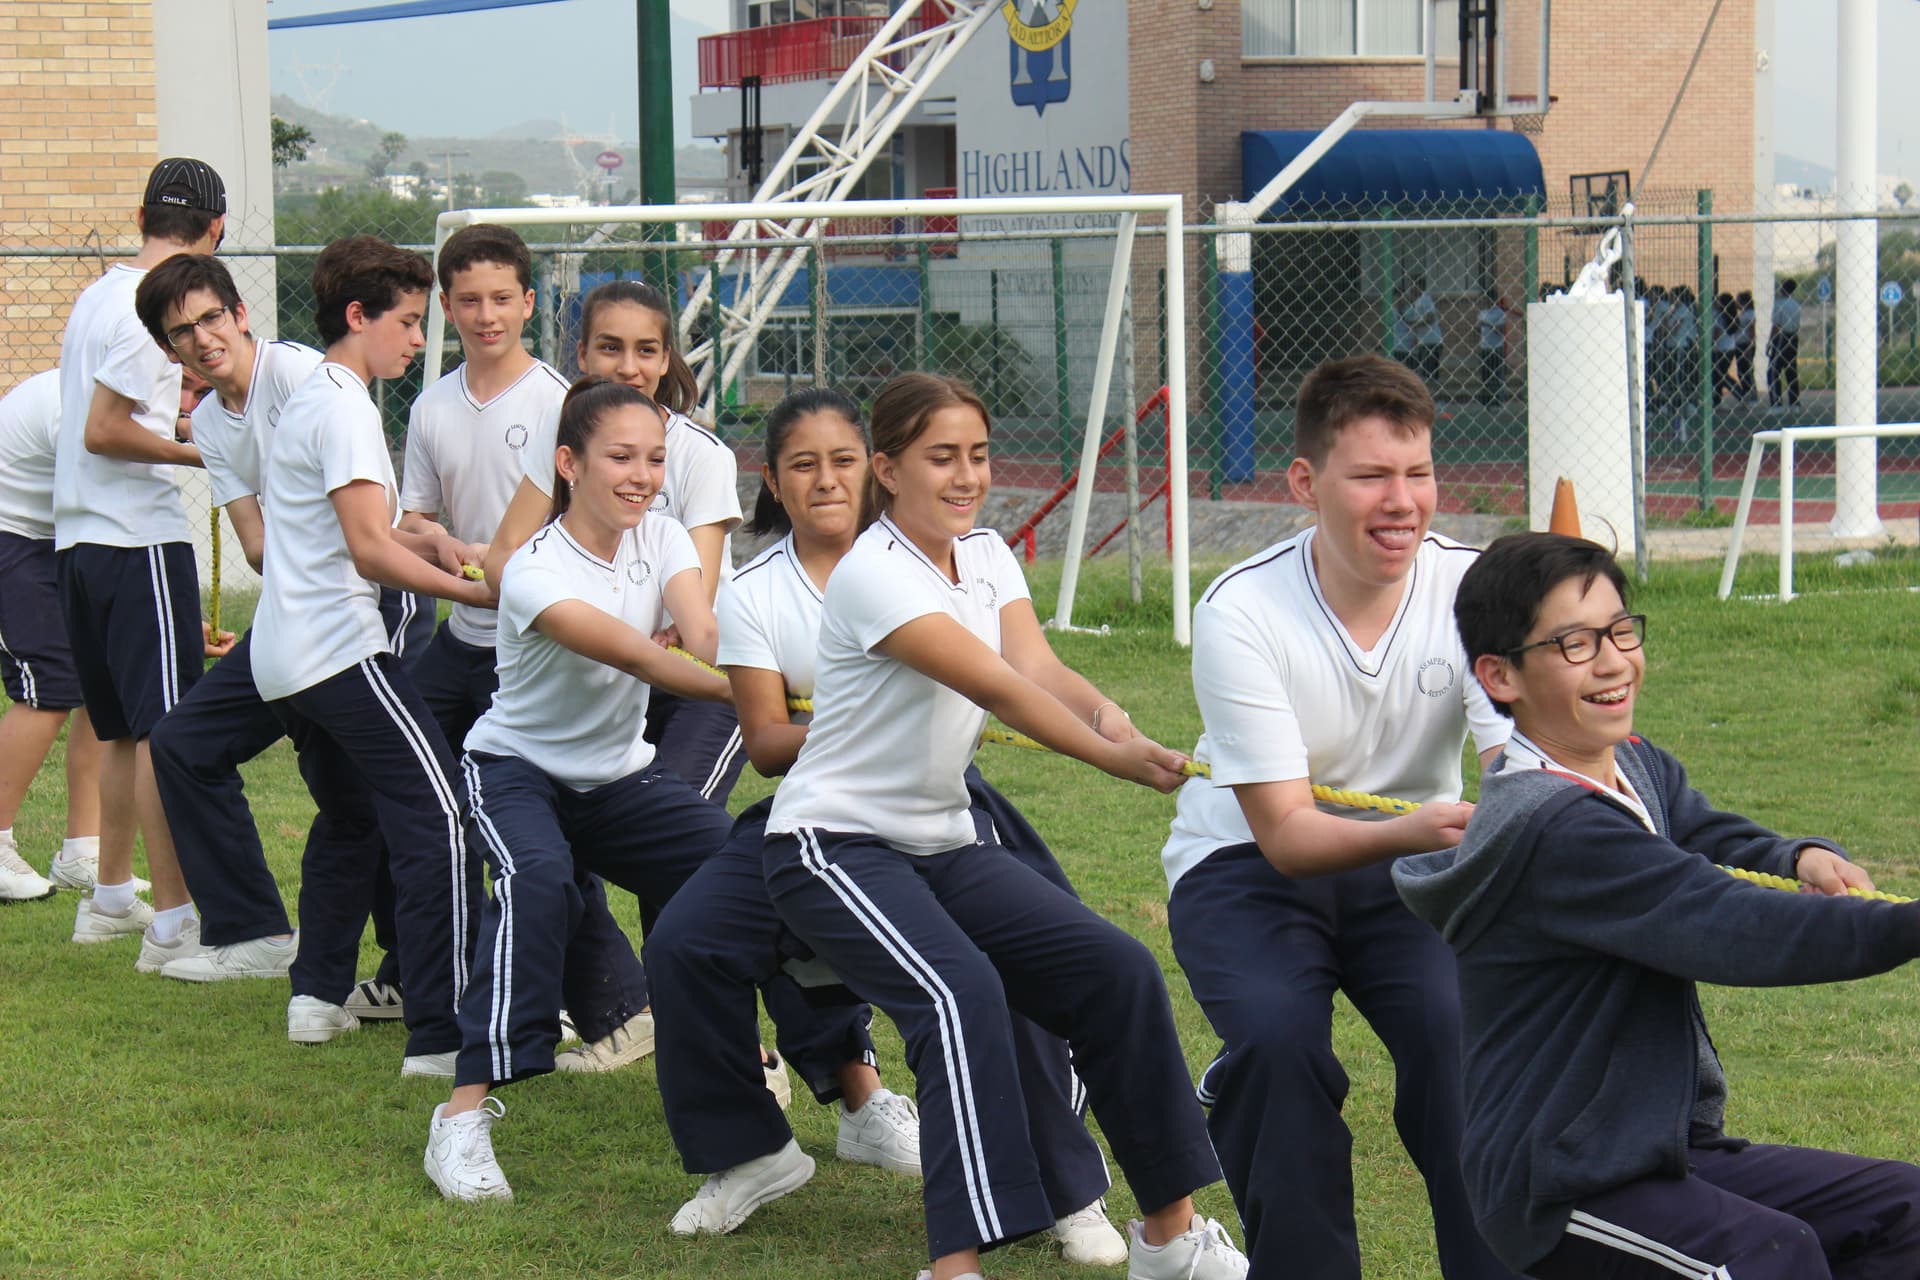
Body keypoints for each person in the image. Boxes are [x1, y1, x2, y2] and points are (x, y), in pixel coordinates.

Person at [762, 373, 1246, 1280]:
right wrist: (1114, 762)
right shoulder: (874, 572)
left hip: (940, 841)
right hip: (828, 848)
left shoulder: (984, 554)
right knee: (958, 999)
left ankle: (1171, 1241)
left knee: (1118, 972)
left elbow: (1036, 662)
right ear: (889, 468)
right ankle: (955, 1265)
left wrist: (1112, 716)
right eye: (941, 458)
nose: (966, 476)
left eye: (978, 456)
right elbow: (997, 688)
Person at [646, 387, 1125, 1266]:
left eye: (840, 460)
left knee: (1012, 966)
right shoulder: (754, 592)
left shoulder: (938, 556)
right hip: (819, 812)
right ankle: (751, 1153)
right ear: (775, 483)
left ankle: (1067, 1188)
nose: (825, 480)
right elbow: (765, 746)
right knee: (685, 942)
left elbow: (1026, 670)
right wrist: (856, 711)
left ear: (875, 468)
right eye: (801, 465)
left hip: (938, 805)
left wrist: (1110, 724)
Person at [1395, 531, 1920, 1279]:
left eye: (1617, 630)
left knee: (1903, 1210)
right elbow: (1734, 927)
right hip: (1560, 1179)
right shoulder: (1556, 829)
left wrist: (1791, 854)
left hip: (1658, 1145)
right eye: (1573, 643)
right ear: (1499, 675)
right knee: (1771, 1260)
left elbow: (1699, 826)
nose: (1612, 660)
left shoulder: (1631, 763)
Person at [1160, 354, 1514, 1280]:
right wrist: (1419, 828)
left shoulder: (1475, 591)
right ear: (1306, 484)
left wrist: (1522, 803)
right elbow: (1283, 832)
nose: (1403, 502)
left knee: (1461, 1040)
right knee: (1279, 1048)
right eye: (1371, 477)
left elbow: (1517, 761)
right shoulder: (1240, 610)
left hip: (1411, 866)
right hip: (1248, 864)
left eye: (1418, 473)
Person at [421, 377, 738, 1202]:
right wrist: (749, 695)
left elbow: (701, 633)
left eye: (656, 459)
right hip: (516, 769)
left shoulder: (664, 538)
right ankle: (460, 1117)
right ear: (569, 463)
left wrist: (778, 669)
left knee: (750, 869)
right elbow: (642, 657)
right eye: (621, 458)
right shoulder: (531, 569)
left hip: (618, 776)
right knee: (538, 883)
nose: (642, 475)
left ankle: (838, 1085)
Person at [131, 253, 437, 984]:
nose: (202, 339)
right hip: (297, 616)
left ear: (240, 315)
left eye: (211, 317)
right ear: (169, 350)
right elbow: (260, 546)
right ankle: (257, 936)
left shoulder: (309, 378)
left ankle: (403, 973)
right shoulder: (207, 419)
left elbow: (376, 528)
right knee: (182, 743)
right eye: (181, 333)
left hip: (374, 602)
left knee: (375, 792)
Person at [394, 223, 652, 1073]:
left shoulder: (559, 403)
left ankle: (616, 1007)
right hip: (459, 636)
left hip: (533, 650)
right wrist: (443, 550)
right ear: (447, 307)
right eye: (466, 299)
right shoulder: (431, 404)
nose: (484, 313)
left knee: (537, 838)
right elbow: (414, 519)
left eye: (502, 296)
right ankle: (417, 980)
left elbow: (530, 557)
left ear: (529, 303)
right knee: (408, 804)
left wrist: (483, 563)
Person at [251, 234, 491, 1068]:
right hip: (340, 653)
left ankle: (316, 998)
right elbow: (364, 550)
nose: (421, 340)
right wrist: (469, 591)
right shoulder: (348, 404)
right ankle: (440, 1034)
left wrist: (433, 543)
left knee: (352, 815)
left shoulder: (315, 399)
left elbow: (364, 531)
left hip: (285, 663)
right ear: (358, 316)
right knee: (442, 821)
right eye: (411, 322)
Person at [51, 157, 226, 969]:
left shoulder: (98, 293)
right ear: (216, 230)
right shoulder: (158, 306)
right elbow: (105, 427)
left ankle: (110, 899)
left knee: (120, 729)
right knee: (166, 732)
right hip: (134, 538)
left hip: (82, 540)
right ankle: (174, 917)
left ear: (142, 215)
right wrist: (209, 459)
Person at [484, 280, 747, 803]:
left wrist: (751, 682)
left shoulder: (701, 458)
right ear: (581, 355)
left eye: (646, 350)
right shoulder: (563, 442)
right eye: (610, 348)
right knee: (563, 829)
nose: (629, 367)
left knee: (682, 816)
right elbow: (504, 557)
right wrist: (550, 602)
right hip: (615, 664)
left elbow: (698, 619)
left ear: (667, 359)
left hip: (692, 665)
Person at [0, 369, 102, 902]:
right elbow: (94, 504)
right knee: (49, 685)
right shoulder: (80, 404)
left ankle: (82, 853)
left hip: (54, 536)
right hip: (12, 534)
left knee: (99, 678)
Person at [1769, 278, 1802, 409]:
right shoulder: (1796, 304)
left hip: (1781, 337)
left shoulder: (1779, 304)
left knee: (1773, 370)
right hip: (1793, 337)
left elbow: (1776, 324)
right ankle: (1795, 402)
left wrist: (1770, 341)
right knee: (1791, 370)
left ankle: (1776, 402)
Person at [1476, 291, 1508, 405]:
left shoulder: (1499, 313)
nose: (1485, 302)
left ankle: (1498, 399)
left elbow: (1500, 331)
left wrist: (1489, 324)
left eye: (1487, 300)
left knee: (1497, 374)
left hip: (1496, 348)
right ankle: (1486, 400)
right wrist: (1479, 325)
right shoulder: (1483, 313)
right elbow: (1477, 328)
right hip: (1485, 347)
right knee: (1485, 375)